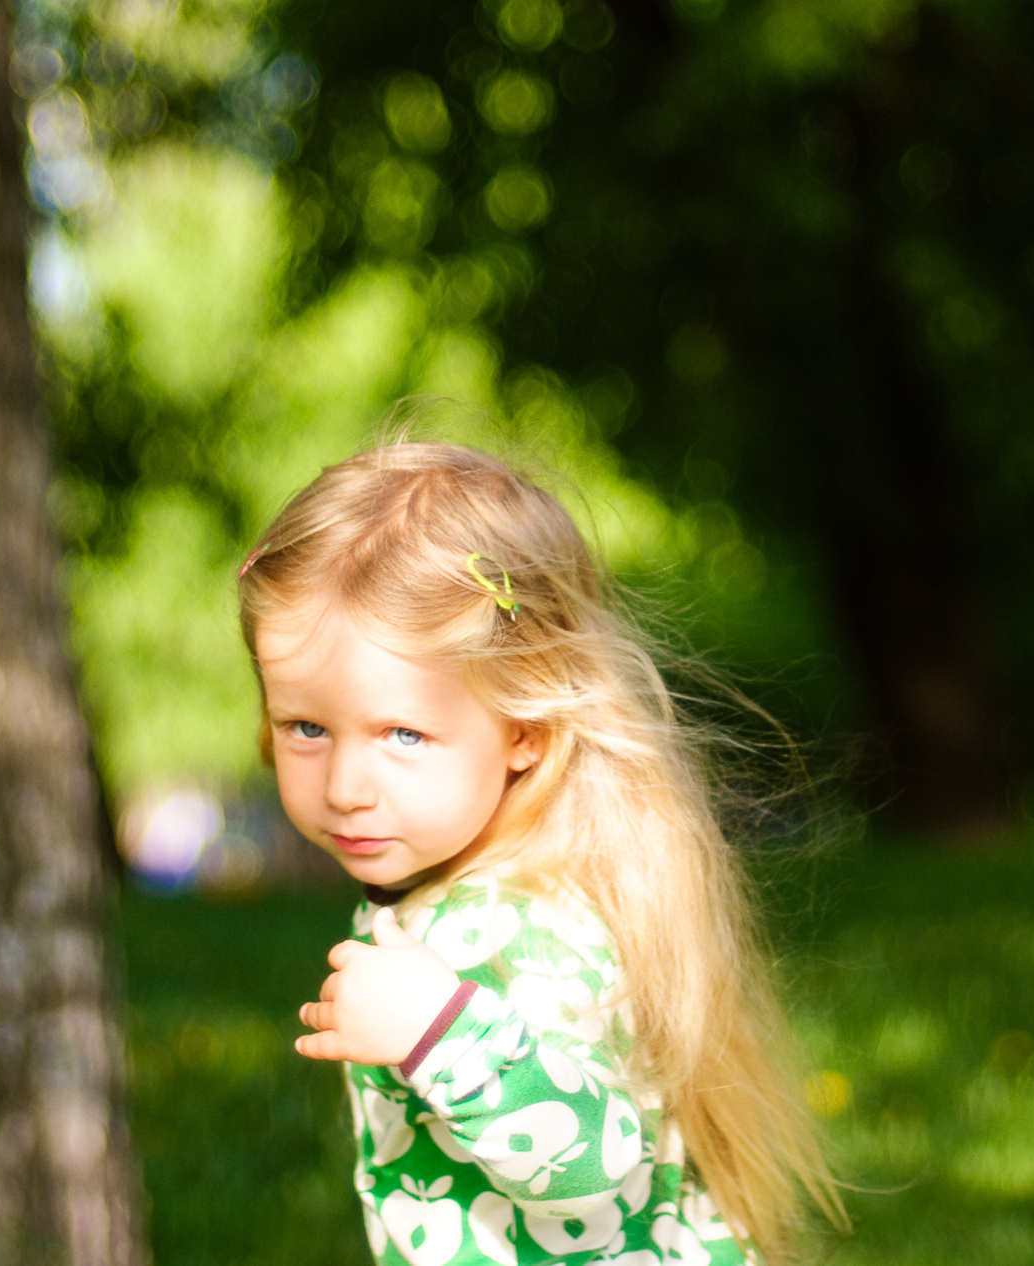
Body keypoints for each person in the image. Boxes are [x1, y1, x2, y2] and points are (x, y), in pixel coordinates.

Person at [237, 440, 842, 1265]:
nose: (345, 784)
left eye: (403, 733)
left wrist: (439, 1034)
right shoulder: (478, 893)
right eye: (307, 726)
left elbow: (595, 1160)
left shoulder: (517, 932)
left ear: (523, 730)